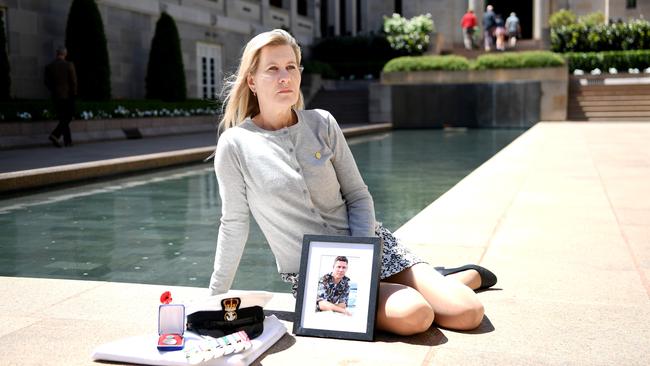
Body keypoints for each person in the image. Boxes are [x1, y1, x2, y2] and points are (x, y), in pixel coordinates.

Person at [208, 29, 497, 336]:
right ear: (251, 81)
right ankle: (434, 281)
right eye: (273, 69)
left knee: (468, 313)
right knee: (415, 315)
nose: (285, 77)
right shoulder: (235, 144)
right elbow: (234, 223)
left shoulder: (322, 123)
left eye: (291, 67)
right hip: (320, 275)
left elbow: (358, 195)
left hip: (371, 247)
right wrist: (213, 297)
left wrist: (363, 257)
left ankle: (448, 279)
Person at [44, 46, 77, 147]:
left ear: (57, 53)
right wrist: (74, 94)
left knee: (63, 118)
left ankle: (67, 141)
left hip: (55, 96)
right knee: (68, 117)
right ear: (65, 54)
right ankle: (56, 135)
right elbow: (73, 81)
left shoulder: (49, 66)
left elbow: (46, 82)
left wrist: (53, 90)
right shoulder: (68, 65)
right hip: (67, 96)